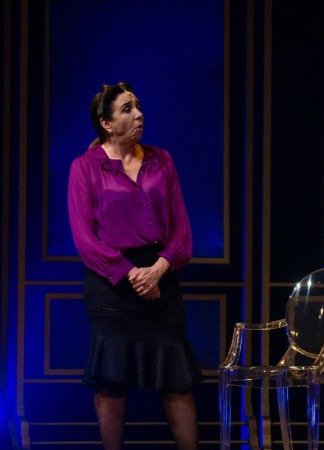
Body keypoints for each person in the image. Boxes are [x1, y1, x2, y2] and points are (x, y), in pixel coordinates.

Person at [68, 82, 201, 450]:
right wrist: (131, 275)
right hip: (111, 282)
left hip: (161, 274)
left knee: (176, 380)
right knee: (111, 382)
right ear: (106, 123)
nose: (139, 114)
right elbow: (85, 239)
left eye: (138, 106)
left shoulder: (162, 160)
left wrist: (157, 270)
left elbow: (181, 230)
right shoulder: (85, 167)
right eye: (127, 109)